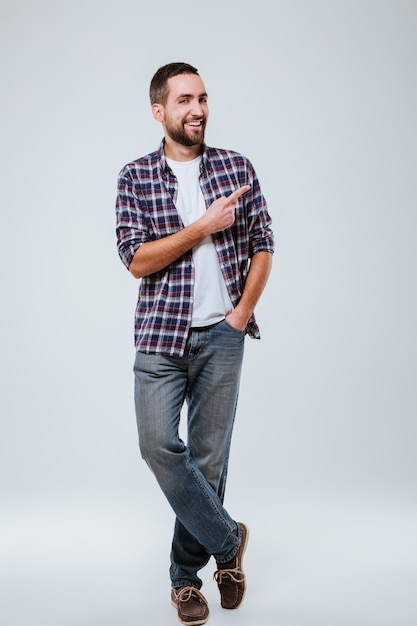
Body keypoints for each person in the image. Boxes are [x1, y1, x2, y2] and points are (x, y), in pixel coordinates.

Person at [115, 62, 274, 626]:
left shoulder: (236, 167)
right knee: (158, 446)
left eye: (202, 98)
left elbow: (263, 244)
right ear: (159, 111)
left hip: (222, 337)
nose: (198, 109)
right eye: (184, 100)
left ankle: (186, 581)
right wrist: (202, 226)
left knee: (209, 461)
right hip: (160, 337)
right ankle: (229, 541)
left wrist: (240, 316)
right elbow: (137, 260)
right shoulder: (135, 177)